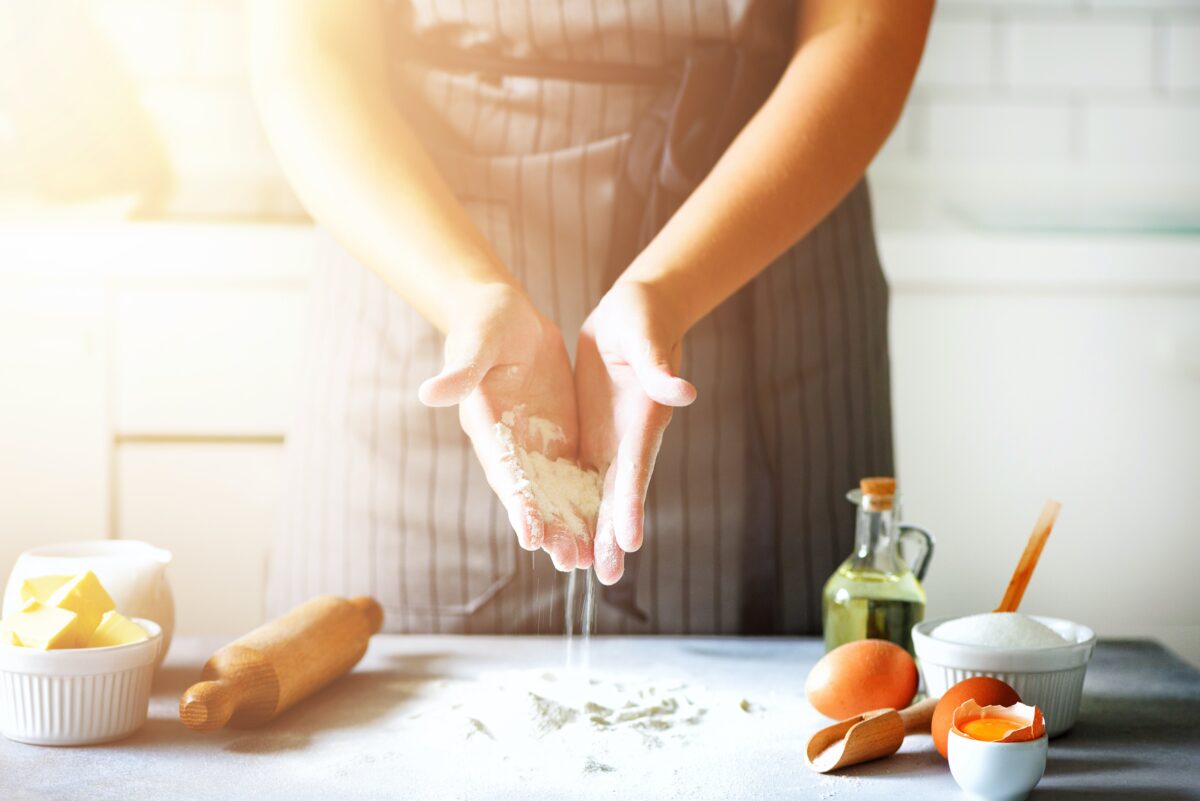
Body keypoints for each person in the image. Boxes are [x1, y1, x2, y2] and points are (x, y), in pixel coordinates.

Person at [249, 0, 932, 635]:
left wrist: (670, 286)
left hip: (766, 243)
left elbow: (867, 32)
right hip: (421, 263)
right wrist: (465, 295)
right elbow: (306, 48)